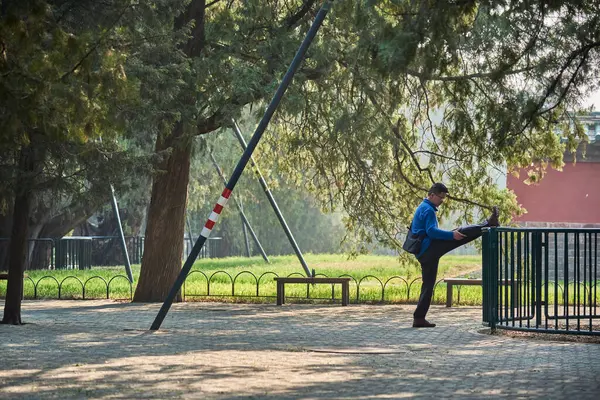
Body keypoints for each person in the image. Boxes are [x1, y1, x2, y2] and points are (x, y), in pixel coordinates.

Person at [409, 183, 499, 328]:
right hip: (429, 249)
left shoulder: (423, 207)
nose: (442, 201)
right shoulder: (428, 210)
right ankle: (488, 224)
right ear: (431, 195)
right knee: (460, 233)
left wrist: (452, 235)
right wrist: (452, 235)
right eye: (440, 197)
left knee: (428, 285)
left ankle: (419, 318)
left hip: (424, 252)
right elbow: (431, 231)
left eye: (444, 198)